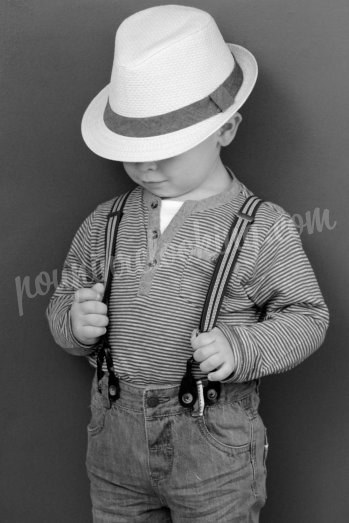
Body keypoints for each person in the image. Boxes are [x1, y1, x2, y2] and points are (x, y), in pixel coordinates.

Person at [46, 5, 329, 522]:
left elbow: (308, 317)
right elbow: (65, 294)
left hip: (213, 446)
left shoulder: (263, 226)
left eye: (166, 147)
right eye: (134, 149)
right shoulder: (104, 221)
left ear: (226, 130)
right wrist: (74, 321)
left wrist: (243, 346)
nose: (147, 164)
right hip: (114, 439)